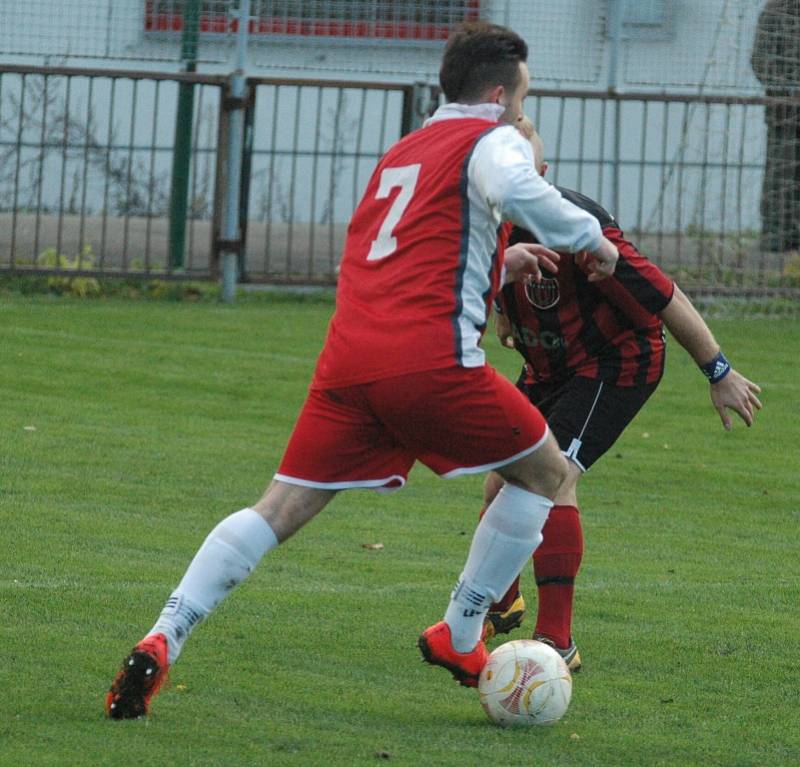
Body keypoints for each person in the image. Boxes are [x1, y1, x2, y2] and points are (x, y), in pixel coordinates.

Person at [105, 22, 622, 719]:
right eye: (523, 100)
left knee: (278, 508)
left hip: (348, 359)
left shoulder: (405, 151)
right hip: (428, 362)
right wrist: (592, 239)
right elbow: (517, 186)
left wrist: (501, 262)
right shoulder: (491, 139)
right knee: (548, 473)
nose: (523, 115)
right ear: (498, 93)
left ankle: (163, 634)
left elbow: (403, 252)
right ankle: (461, 632)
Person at [480, 118, 763, 670]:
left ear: (540, 176)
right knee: (498, 485)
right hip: (549, 365)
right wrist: (503, 315)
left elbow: (665, 296)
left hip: (615, 360)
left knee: (552, 474)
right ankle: (502, 599)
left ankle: (556, 642)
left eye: (521, 169)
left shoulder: (578, 230)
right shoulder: (481, 217)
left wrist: (719, 371)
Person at [751, 0, 800, 253]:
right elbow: (760, 59)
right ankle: (777, 234)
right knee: (781, 172)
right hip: (784, 112)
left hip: (786, 107)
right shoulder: (775, 12)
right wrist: (787, 87)